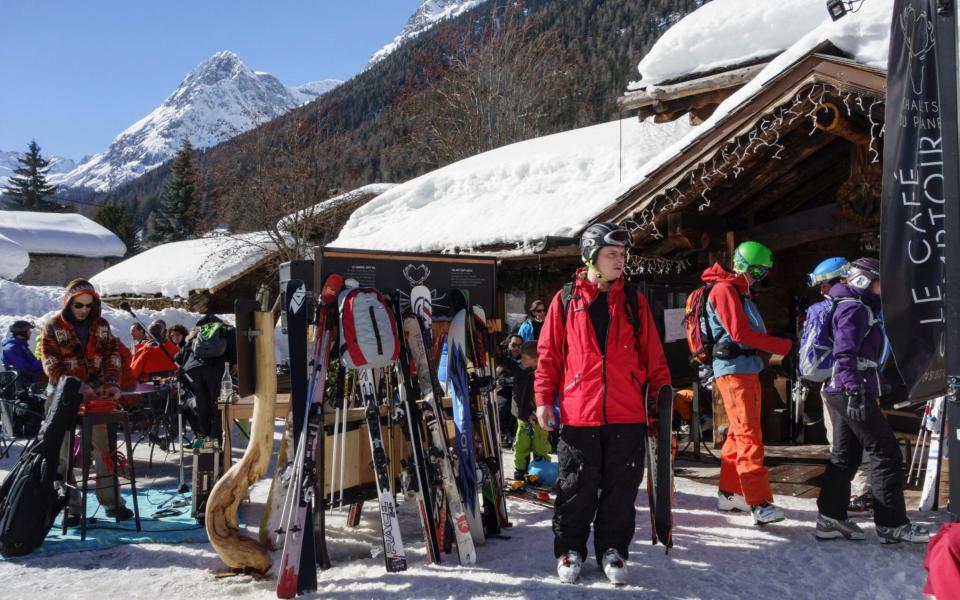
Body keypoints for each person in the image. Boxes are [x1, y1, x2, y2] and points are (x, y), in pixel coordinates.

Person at [535, 222, 671, 585]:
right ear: (590, 257)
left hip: (627, 413)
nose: (620, 261)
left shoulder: (633, 301)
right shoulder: (566, 300)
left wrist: (660, 399)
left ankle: (613, 549)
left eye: (623, 256)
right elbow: (549, 355)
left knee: (621, 489)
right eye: (612, 254)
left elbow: (654, 356)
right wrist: (543, 399)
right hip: (580, 413)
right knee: (576, 487)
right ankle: (570, 549)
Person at [814, 257, 929, 544]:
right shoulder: (853, 308)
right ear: (864, 281)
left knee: (845, 454)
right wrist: (853, 388)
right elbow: (845, 352)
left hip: (843, 388)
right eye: (879, 283)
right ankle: (892, 525)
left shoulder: (856, 305)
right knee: (886, 453)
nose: (882, 289)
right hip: (851, 390)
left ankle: (830, 517)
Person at [704, 241, 793, 525]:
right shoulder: (725, 290)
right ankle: (759, 502)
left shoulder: (739, 292)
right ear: (743, 264)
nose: (759, 277)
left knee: (737, 433)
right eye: (757, 270)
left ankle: (731, 494)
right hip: (734, 370)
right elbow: (741, 333)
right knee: (749, 435)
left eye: (763, 273)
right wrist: (785, 346)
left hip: (744, 368)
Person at [41, 278, 132, 524]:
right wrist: (73, 384)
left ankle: (113, 503)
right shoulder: (52, 326)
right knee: (62, 454)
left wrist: (113, 383)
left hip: (96, 394)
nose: (84, 310)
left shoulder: (101, 325)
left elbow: (112, 354)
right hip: (61, 394)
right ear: (68, 303)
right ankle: (70, 507)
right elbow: (49, 360)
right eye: (78, 305)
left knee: (105, 451)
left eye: (88, 306)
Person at [804, 257, 874, 514]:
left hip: (829, 384)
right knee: (863, 439)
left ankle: (841, 499)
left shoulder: (821, 309)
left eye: (824, 285)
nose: (823, 291)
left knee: (839, 442)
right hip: (850, 383)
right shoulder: (854, 307)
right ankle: (861, 492)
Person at [175, 314, 236, 449]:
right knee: (218, 405)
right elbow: (233, 348)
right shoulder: (226, 330)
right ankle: (216, 441)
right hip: (217, 370)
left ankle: (205, 439)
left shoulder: (196, 333)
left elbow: (179, 358)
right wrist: (234, 363)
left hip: (194, 371)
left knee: (202, 404)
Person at [501, 341, 550, 480]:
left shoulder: (544, 373)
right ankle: (520, 470)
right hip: (523, 416)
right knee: (521, 443)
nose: (520, 360)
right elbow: (505, 361)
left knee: (540, 444)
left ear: (536, 360)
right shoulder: (519, 369)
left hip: (539, 416)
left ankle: (541, 468)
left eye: (524, 358)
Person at [496, 334, 523, 447]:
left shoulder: (524, 360)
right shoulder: (502, 359)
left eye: (519, 346)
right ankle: (502, 434)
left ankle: (513, 433)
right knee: (503, 404)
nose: (517, 348)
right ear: (508, 345)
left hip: (517, 392)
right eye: (514, 345)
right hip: (502, 392)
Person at [2, 320, 44, 388]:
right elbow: (27, 369)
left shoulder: (21, 345)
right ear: (22, 332)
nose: (30, 332)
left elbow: (32, 363)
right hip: (28, 382)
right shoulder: (12, 348)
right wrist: (44, 361)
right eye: (28, 330)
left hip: (32, 378)